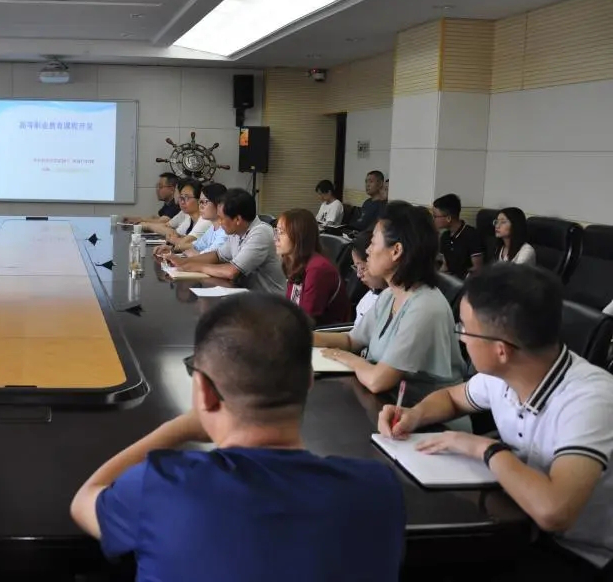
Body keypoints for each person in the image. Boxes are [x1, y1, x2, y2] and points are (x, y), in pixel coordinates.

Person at [70, 293, 405, 582]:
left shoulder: (161, 485)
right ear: (309, 381)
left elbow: (85, 500)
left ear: (204, 393)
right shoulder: (378, 491)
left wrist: (179, 427)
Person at [380, 264, 613, 579]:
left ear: (501, 350)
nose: (462, 338)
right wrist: (414, 415)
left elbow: (555, 511)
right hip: (517, 525)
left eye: (465, 329)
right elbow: (452, 397)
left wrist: (485, 449)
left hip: (579, 554)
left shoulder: (590, 399)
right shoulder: (505, 373)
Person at [314, 201, 467, 407]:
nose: (367, 250)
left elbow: (378, 380)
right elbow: (352, 341)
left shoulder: (425, 307)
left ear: (396, 251)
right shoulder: (389, 295)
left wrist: (347, 358)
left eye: (373, 242)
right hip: (390, 405)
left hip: (427, 416)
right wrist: (303, 337)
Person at [167, 189, 285, 294]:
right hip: (247, 296)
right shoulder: (237, 231)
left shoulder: (260, 232)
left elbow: (231, 271)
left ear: (237, 219)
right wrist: (183, 262)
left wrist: (196, 266)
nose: (219, 222)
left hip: (269, 302)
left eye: (221, 218)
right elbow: (217, 255)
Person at [276, 209, 350, 326]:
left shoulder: (318, 269)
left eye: (281, 232)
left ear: (299, 236)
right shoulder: (296, 263)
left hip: (322, 333)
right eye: (276, 231)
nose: (276, 237)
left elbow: (306, 320)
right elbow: (292, 306)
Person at [157, 183, 227, 258]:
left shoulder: (225, 230)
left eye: (205, 202)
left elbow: (211, 255)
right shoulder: (212, 228)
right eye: (200, 202)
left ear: (219, 204)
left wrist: (195, 254)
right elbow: (197, 245)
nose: (200, 206)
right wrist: (171, 249)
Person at [432, 193, 483, 277]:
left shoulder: (471, 235)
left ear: (448, 218)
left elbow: (477, 269)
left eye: (435, 216)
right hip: (450, 280)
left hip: (466, 281)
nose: (433, 219)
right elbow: (444, 265)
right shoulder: (445, 236)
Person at [151, 179, 212, 246]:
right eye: (181, 197)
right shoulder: (188, 218)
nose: (182, 202)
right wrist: (173, 237)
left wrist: (174, 239)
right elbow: (175, 235)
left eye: (187, 198)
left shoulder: (205, 221)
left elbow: (182, 244)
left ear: (199, 200)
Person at [350, 230, 387, 328]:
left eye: (362, 267)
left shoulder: (393, 302)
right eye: (356, 267)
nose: (358, 275)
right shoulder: (369, 296)